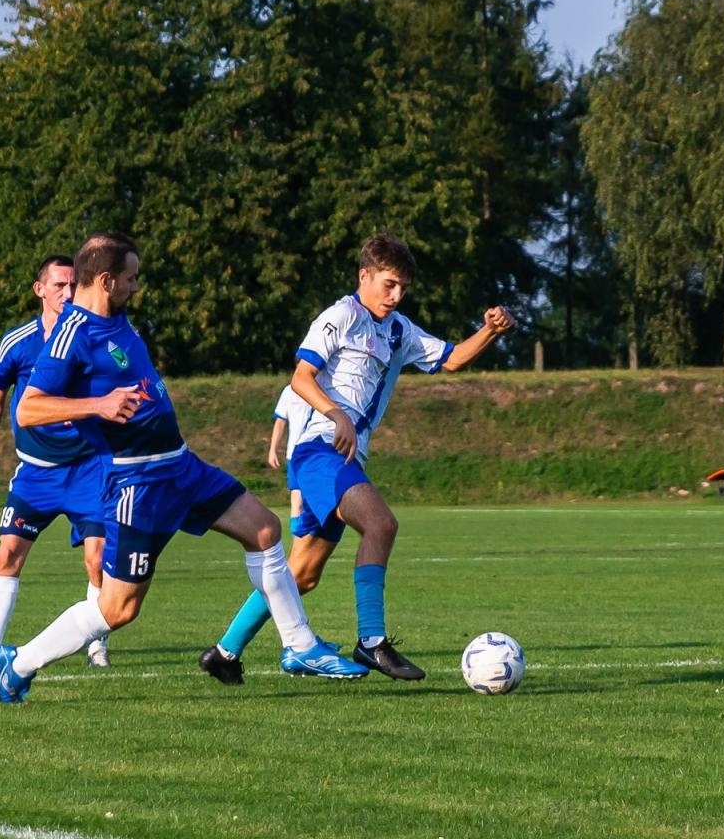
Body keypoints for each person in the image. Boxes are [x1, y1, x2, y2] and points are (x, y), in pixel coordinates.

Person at [0, 231, 369, 703]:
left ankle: (300, 646)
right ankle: (18, 663)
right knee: (118, 609)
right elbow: (29, 408)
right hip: (137, 484)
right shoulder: (72, 335)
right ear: (105, 281)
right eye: (130, 278)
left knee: (265, 530)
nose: (136, 286)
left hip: (181, 467)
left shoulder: (118, 318)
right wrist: (98, 405)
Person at [199, 233, 513, 683]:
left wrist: (491, 331)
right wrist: (336, 415)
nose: (396, 295)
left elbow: (452, 359)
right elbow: (301, 377)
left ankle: (224, 653)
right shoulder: (341, 316)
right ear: (364, 276)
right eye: (389, 284)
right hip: (319, 452)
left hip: (343, 458)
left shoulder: (400, 330)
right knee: (381, 524)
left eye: (403, 287)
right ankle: (372, 641)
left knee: (301, 573)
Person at [0, 255, 112, 672]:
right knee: (8, 553)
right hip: (36, 472)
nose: (67, 293)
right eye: (59, 285)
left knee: (97, 560)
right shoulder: (18, 343)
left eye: (73, 285)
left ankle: (96, 645)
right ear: (40, 290)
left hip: (89, 469)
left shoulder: (94, 337)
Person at [267, 384, 306, 521]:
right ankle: (297, 533)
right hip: (296, 453)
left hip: (321, 452)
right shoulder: (289, 391)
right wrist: (273, 450)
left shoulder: (326, 386)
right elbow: (280, 422)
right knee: (297, 500)